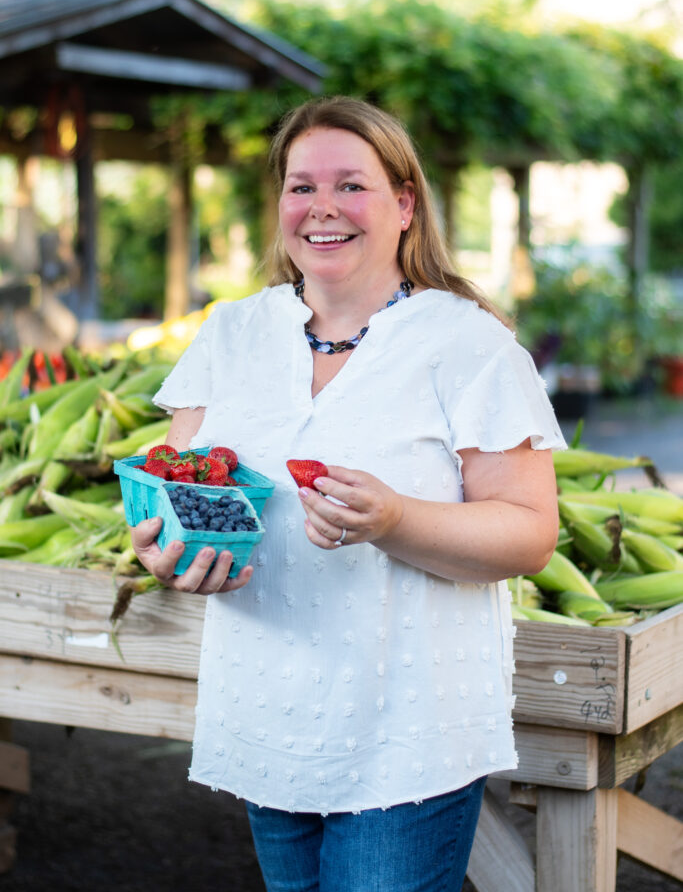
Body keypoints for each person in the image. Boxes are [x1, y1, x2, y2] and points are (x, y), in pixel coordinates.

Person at [131, 95, 567, 892]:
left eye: (351, 185)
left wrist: (396, 519)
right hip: (267, 714)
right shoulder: (230, 334)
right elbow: (177, 493)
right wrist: (169, 553)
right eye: (301, 187)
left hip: (406, 728)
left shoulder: (464, 342)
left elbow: (530, 532)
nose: (321, 208)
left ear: (404, 204)